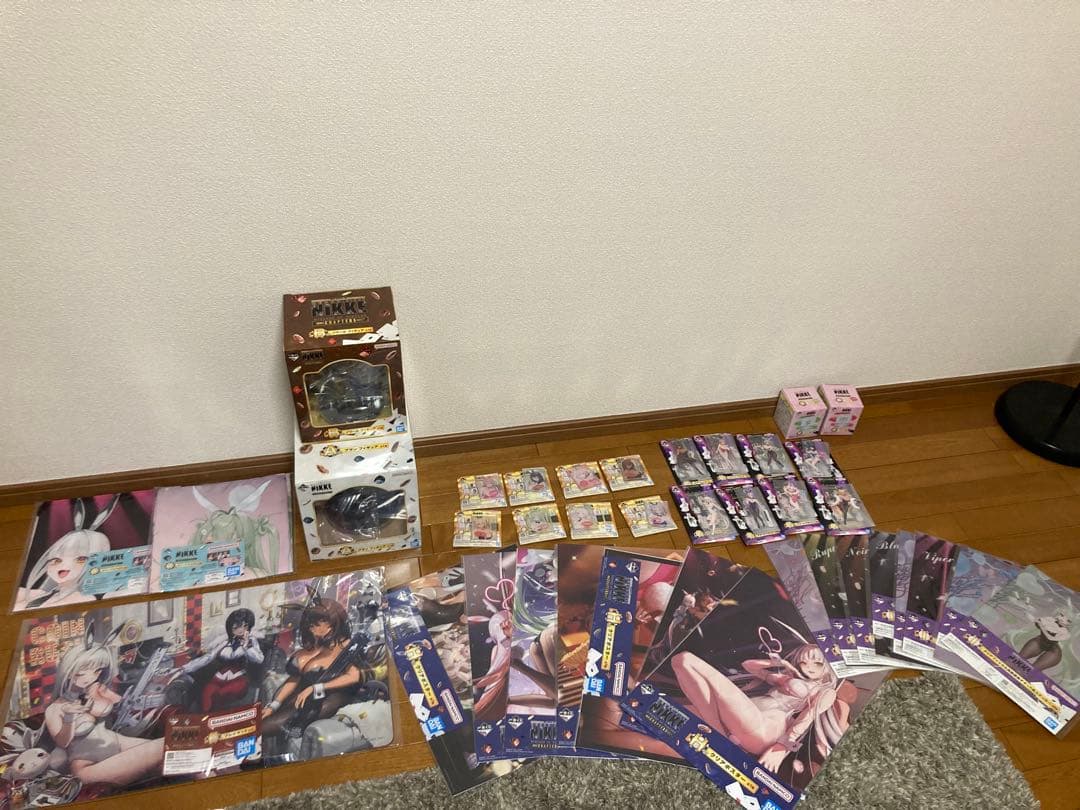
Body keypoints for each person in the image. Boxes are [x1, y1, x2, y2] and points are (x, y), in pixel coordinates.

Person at [670, 642, 852, 775]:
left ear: (827, 667)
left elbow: (806, 719)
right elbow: (748, 666)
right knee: (681, 661)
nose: (808, 667)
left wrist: (781, 747)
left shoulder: (826, 692)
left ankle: (719, 738)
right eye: (804, 662)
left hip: (765, 726)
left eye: (817, 663)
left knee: (686, 659)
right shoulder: (787, 678)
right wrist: (776, 663)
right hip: (740, 719)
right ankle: (719, 736)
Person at [43, 623, 164, 786]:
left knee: (173, 747)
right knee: (166, 748)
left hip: (117, 743)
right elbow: (62, 743)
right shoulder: (55, 708)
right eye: (83, 671)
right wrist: (69, 717)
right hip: (88, 766)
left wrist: (100, 693)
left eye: (97, 671)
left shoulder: (92, 690)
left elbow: (113, 704)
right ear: (69, 671)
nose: (91, 677)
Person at [261, 597, 371, 738]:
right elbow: (294, 679)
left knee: (265, 728)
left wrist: (316, 688)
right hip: (299, 699)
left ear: (331, 624)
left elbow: (354, 676)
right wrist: (274, 705)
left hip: (325, 701)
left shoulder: (347, 647)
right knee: (263, 724)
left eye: (317, 623)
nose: (311, 627)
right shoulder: (308, 651)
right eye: (311, 623)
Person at [181, 608, 264, 711]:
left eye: (245, 626)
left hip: (239, 680)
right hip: (218, 679)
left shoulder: (251, 641)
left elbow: (259, 659)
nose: (241, 629)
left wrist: (247, 646)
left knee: (221, 694)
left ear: (249, 627)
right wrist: (185, 668)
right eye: (236, 626)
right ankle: (206, 717)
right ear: (231, 627)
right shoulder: (224, 643)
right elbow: (208, 657)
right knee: (207, 693)